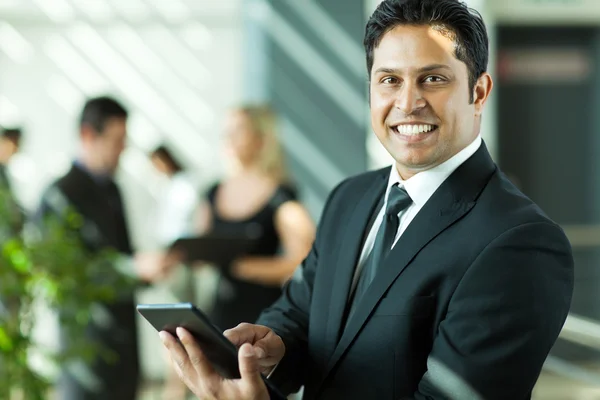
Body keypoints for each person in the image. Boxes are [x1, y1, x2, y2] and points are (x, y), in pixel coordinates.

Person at [161, 0, 574, 399]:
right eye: (390, 80)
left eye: (433, 78)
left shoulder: (519, 242)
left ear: (479, 92)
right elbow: (300, 311)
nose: (408, 103)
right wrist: (273, 348)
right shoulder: (350, 198)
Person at [37, 96, 169, 400]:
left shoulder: (112, 189)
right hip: (85, 350)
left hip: (123, 344)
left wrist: (145, 268)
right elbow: (64, 273)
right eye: (116, 139)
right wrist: (132, 267)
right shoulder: (60, 195)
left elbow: (120, 256)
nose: (123, 148)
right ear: (87, 135)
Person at [193, 104, 315, 332]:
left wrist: (247, 268)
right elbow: (200, 251)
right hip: (221, 310)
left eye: (238, 130)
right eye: (226, 131)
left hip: (264, 314)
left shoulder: (280, 195)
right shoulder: (212, 192)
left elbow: (305, 259)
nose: (228, 138)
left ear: (260, 138)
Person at [149, 144, 200, 400]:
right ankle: (176, 384)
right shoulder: (170, 184)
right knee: (169, 324)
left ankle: (178, 386)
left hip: (179, 259)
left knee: (178, 325)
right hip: (168, 257)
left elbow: (185, 227)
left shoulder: (184, 184)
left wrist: (174, 257)